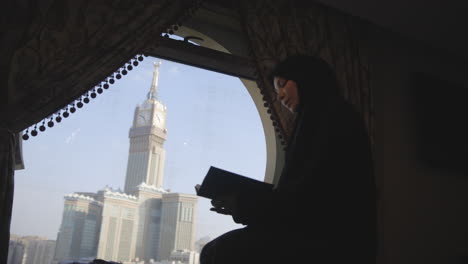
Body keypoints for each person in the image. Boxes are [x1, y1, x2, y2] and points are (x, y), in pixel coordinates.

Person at [200, 55, 377, 264]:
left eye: (282, 85)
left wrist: (242, 203)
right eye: (276, 92)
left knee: (217, 253)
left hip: (325, 236)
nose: (281, 96)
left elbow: (309, 195)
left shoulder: (324, 117)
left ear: (304, 77)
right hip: (331, 234)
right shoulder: (330, 114)